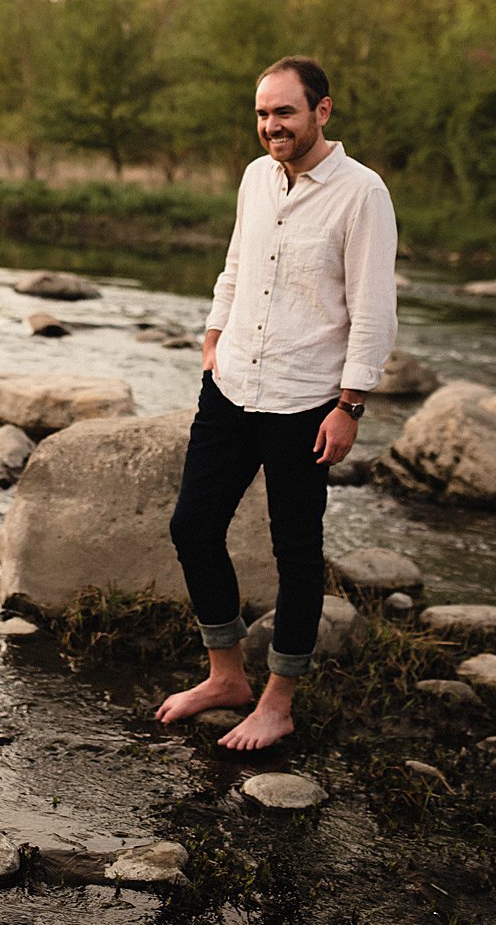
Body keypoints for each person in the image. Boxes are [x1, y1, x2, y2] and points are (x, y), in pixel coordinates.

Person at [154, 55, 398, 752]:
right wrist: (212, 335)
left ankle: (277, 701)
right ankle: (226, 675)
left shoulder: (362, 193)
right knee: (192, 527)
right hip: (231, 386)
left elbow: (374, 308)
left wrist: (350, 402)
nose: (271, 126)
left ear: (322, 111)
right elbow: (237, 263)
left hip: (306, 398)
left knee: (296, 552)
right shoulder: (256, 178)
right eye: (262, 113)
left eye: (284, 112)